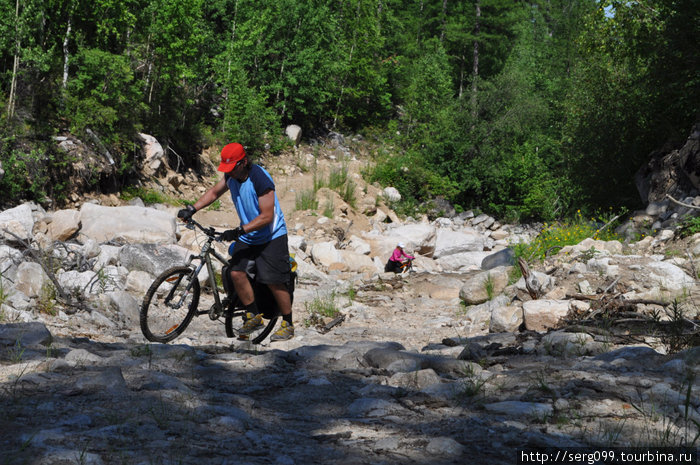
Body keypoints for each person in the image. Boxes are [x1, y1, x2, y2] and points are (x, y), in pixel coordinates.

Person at [177, 142, 294, 341]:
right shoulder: (231, 177)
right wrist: (193, 208)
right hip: (249, 234)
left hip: (271, 235)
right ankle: (253, 315)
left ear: (244, 162)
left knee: (274, 280)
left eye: (232, 168)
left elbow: (267, 217)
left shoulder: (259, 179)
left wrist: (238, 231)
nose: (229, 172)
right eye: (227, 169)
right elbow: (214, 193)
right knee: (236, 272)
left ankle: (288, 324)